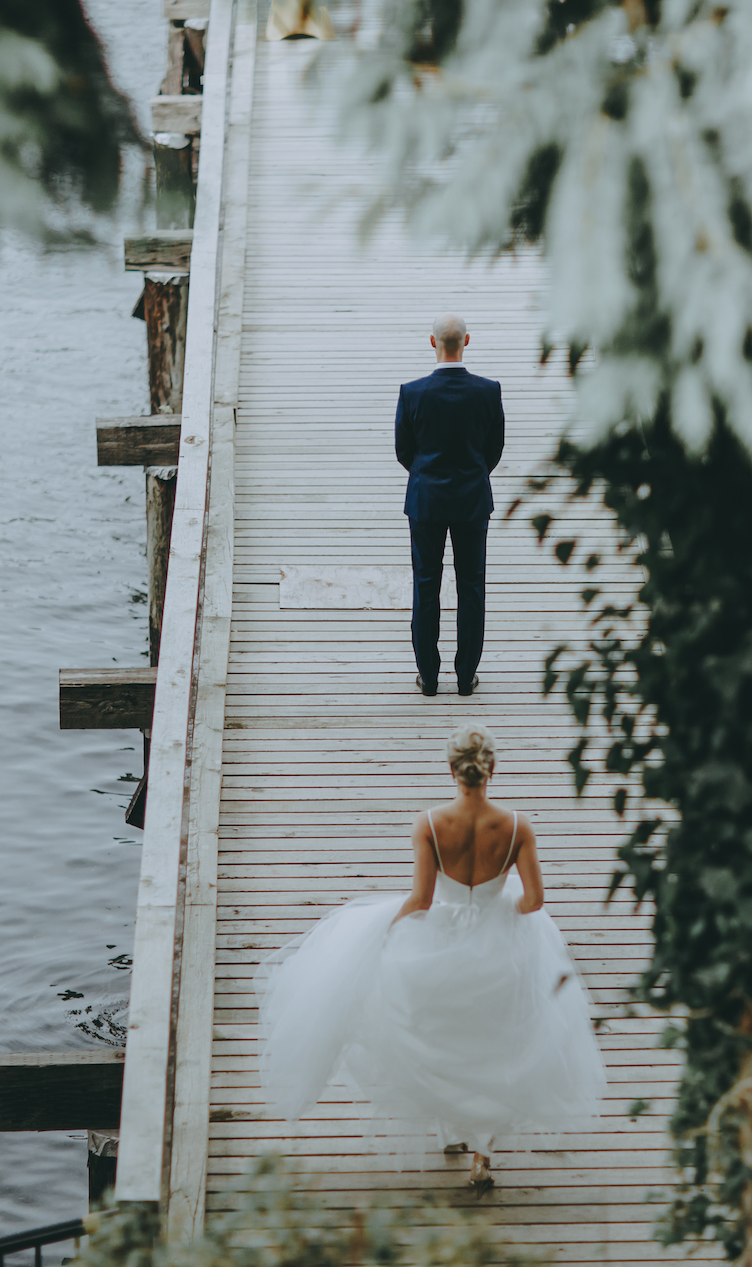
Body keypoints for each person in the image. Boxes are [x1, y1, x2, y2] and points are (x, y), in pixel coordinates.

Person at [252, 724, 606, 1188]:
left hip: (440, 942)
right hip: (499, 945)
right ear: (492, 769)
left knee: (443, 1037)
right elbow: (534, 900)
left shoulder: (430, 824)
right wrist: (505, 912)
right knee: (497, 1041)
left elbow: (421, 899)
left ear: (452, 770)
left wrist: (385, 930)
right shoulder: (518, 827)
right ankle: (483, 1152)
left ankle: (450, 1131)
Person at [395, 314, 505, 697]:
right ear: (467, 341)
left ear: (432, 342)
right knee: (471, 586)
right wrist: (473, 474)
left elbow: (404, 451)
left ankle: (428, 677)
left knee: (426, 585)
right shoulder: (488, 391)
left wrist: (427, 475)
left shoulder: (412, 392)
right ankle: (465, 677)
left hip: (426, 500)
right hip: (473, 500)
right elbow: (494, 449)